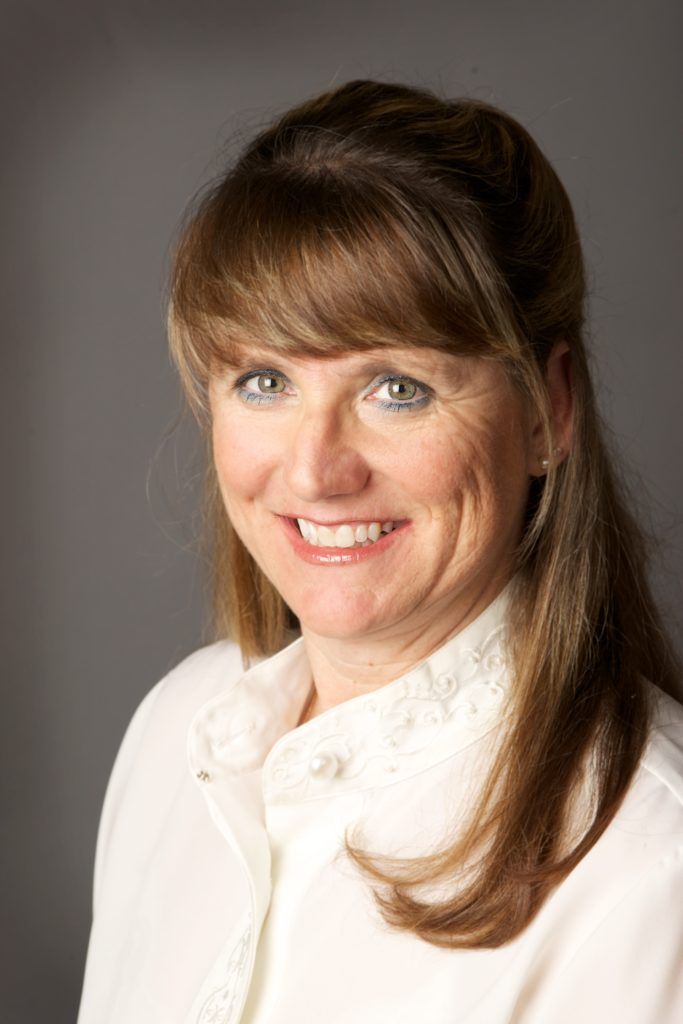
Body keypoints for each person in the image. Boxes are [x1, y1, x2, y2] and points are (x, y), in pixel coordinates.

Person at [77, 79, 683, 1024]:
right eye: (265, 379)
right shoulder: (175, 732)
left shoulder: (651, 874)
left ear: (546, 411)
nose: (315, 472)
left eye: (395, 388)